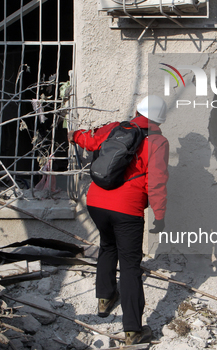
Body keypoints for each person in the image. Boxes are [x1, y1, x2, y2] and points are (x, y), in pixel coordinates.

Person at [69, 95, 169, 345]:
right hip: (127, 209)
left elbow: (89, 140)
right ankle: (134, 331)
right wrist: (159, 214)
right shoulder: (158, 141)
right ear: (160, 119)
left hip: (96, 202)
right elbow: (156, 182)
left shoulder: (115, 128)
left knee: (107, 245)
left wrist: (74, 134)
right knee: (130, 265)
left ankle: (104, 300)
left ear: (137, 111)